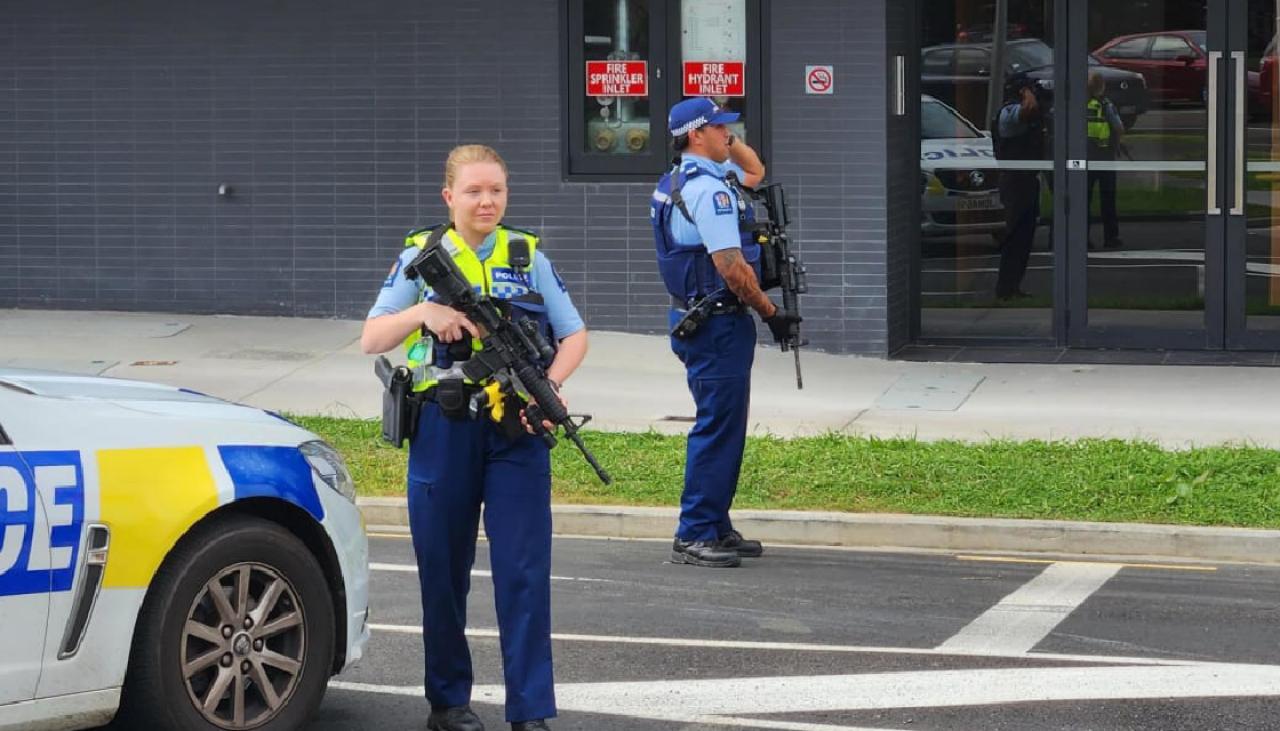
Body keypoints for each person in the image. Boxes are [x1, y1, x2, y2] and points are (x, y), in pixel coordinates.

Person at [361, 144, 588, 731]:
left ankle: (530, 711)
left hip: (518, 428)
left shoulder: (526, 253)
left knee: (524, 570)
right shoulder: (421, 255)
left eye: (497, 191)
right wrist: (423, 316)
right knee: (442, 567)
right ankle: (448, 703)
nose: (487, 201)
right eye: (474, 191)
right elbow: (372, 337)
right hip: (445, 424)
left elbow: (575, 334)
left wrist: (552, 385)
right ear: (449, 197)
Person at [650, 97, 800, 568]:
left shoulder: (702, 180)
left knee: (727, 426)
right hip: (715, 322)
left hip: (713, 322)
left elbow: (755, 168)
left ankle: (713, 523)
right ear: (697, 135)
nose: (728, 136)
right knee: (716, 428)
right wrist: (770, 311)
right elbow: (730, 266)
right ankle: (694, 532)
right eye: (720, 129)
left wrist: (728, 142)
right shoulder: (706, 193)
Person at [993, 75, 1051, 301]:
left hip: (1027, 180)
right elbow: (1029, 109)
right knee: (1015, 236)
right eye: (1029, 90)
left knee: (1025, 238)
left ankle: (1013, 286)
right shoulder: (1009, 113)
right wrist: (1027, 92)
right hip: (1014, 181)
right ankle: (1004, 289)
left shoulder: (1025, 112)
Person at [1086, 70, 1125, 250]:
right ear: (1102, 87)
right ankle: (1111, 238)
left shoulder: (1080, 104)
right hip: (1105, 157)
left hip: (1085, 158)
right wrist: (1117, 145)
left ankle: (1083, 238)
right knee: (1108, 199)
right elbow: (1118, 127)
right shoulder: (1106, 104)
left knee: (1083, 200)